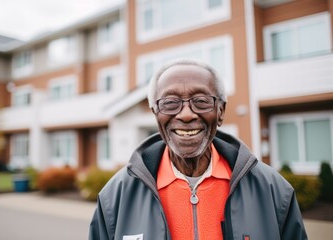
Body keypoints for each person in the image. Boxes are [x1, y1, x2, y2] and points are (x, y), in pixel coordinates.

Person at [89, 59, 307, 240]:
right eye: (170, 102)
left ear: (220, 111)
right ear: (155, 113)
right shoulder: (115, 196)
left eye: (201, 101)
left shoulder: (273, 190)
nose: (186, 114)